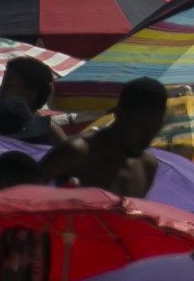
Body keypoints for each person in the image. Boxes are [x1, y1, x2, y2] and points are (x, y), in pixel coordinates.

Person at [40, 76, 169, 198]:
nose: (148, 136)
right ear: (120, 115)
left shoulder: (147, 166)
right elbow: (22, 197)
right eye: (142, 127)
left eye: (156, 128)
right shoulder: (77, 153)